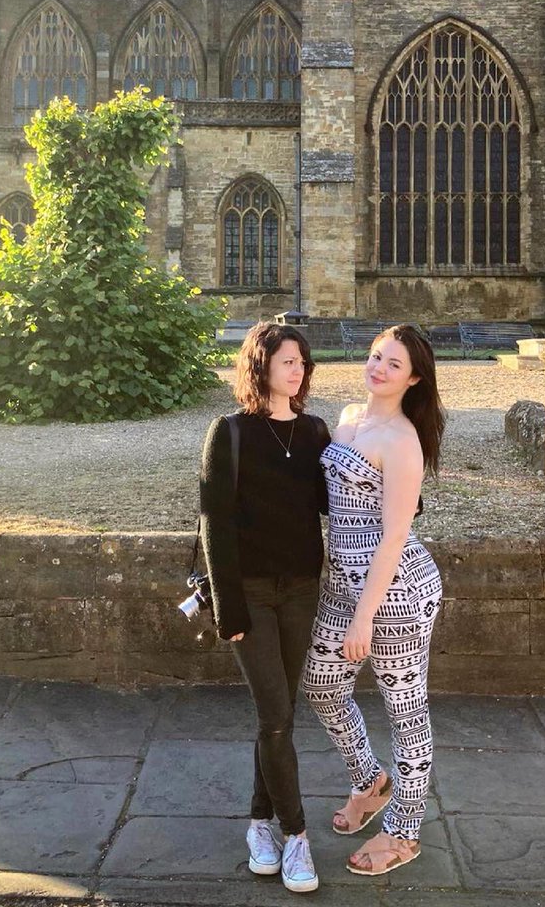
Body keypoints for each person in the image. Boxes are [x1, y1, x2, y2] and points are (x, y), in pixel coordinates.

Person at [302, 324, 445, 876]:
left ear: (413, 379)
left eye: (393, 364)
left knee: (406, 713)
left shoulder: (403, 441)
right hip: (341, 585)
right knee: (321, 686)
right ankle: (370, 781)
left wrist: (365, 615)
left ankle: (404, 833)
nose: (378, 368)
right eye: (375, 356)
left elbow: (394, 535)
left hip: (396, 593)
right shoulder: (346, 418)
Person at [199, 321, 330, 893]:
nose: (297, 371)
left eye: (302, 362)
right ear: (261, 366)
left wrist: (394, 487)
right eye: (287, 362)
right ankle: (296, 835)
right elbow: (215, 522)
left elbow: (333, 499)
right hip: (249, 594)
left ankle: (259, 824)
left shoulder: (315, 430)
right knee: (276, 716)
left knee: (278, 716)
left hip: (301, 589)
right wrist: (227, 607)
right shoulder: (229, 432)